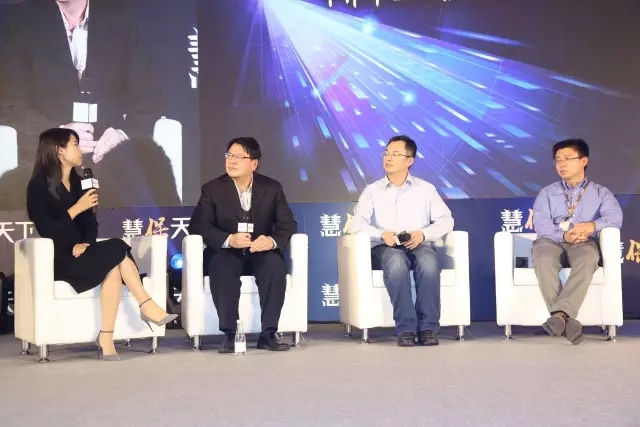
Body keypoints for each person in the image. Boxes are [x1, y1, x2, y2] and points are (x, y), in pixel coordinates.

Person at [0, 0, 179, 209]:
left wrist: (123, 134)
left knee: (141, 191)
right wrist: (56, 134)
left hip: (109, 155)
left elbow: (149, 96)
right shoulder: (22, 20)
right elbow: (9, 103)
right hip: (47, 159)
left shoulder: (120, 19)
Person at [25, 127, 177, 361]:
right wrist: (77, 208)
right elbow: (47, 230)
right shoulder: (38, 186)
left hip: (82, 252)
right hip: (59, 258)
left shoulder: (79, 182)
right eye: (75, 144)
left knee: (113, 267)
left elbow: (91, 222)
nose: (81, 149)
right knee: (117, 247)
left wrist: (87, 242)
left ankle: (106, 337)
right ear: (59, 150)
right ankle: (146, 304)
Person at [189, 137, 297, 353]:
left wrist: (270, 241)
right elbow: (198, 225)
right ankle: (230, 334)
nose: (232, 161)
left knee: (274, 266)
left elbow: (288, 224)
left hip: (260, 251)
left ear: (254, 163)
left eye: (239, 157)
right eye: (229, 155)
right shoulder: (212, 189)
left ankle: (268, 334)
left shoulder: (272, 188)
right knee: (221, 267)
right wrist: (229, 239)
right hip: (227, 251)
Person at [348, 135, 454, 347]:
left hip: (418, 244)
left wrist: (422, 234)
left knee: (428, 262)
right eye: (386, 153)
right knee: (396, 261)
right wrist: (382, 234)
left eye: (395, 154)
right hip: (385, 247)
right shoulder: (372, 191)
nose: (388, 158)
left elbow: (446, 220)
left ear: (409, 160)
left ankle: (428, 328)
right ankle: (406, 328)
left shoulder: (426, 189)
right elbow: (356, 224)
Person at [532, 138, 623, 344]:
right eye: (557, 160)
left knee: (589, 256)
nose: (561, 164)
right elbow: (541, 224)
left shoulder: (600, 192)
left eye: (567, 159)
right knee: (542, 256)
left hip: (583, 241)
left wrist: (591, 226)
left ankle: (559, 317)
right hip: (552, 240)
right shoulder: (547, 192)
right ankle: (565, 318)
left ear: (583, 161)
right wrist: (563, 235)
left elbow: (615, 218)